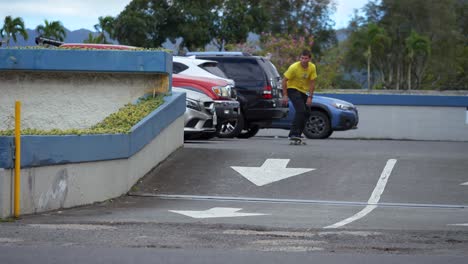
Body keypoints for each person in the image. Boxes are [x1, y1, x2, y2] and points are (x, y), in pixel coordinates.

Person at [282, 49, 317, 139]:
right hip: (292, 89)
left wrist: (310, 97)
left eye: (305, 58)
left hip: (302, 91)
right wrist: (285, 96)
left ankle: (298, 133)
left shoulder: (312, 67)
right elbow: (284, 81)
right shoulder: (294, 67)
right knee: (300, 110)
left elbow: (312, 82)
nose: (303, 61)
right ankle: (293, 133)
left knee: (307, 112)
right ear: (299, 58)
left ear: (309, 59)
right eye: (302, 58)